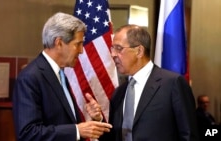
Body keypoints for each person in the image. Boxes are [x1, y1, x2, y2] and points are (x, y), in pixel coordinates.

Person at [12, 12, 112, 141]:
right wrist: (77, 130)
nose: (81, 50)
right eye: (78, 44)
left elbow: (62, 122)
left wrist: (93, 119)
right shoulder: (30, 78)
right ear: (59, 43)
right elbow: (28, 133)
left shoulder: (60, 74)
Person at [99, 24, 199, 141]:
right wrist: (98, 120)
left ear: (139, 51)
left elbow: (189, 134)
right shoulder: (119, 93)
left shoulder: (172, 84)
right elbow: (115, 136)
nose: (113, 54)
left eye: (119, 48)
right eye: (112, 49)